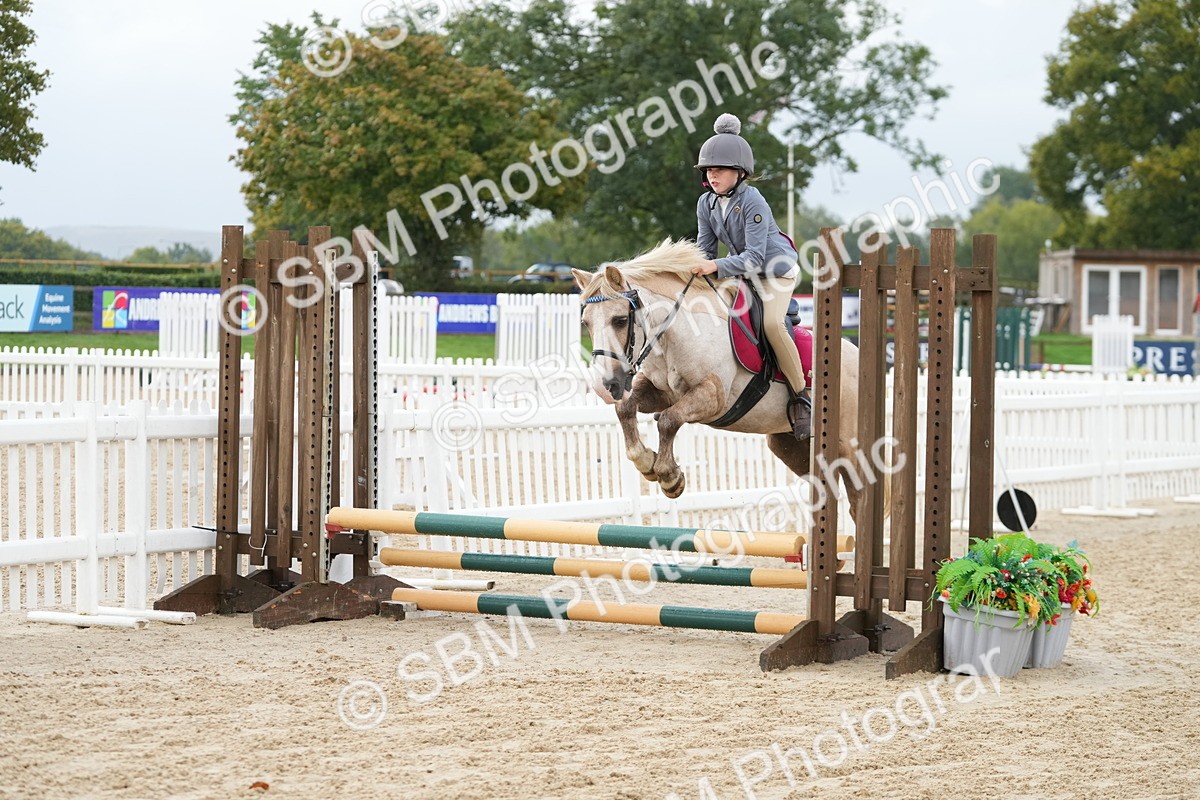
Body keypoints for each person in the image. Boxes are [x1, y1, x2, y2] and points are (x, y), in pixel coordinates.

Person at [691, 113, 811, 441]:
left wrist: (716, 267)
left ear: (739, 172)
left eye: (720, 169)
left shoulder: (752, 200)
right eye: (709, 170)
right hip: (742, 271)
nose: (712, 175)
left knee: (772, 325)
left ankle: (802, 397)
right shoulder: (706, 203)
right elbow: (705, 250)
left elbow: (756, 257)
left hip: (775, 271)